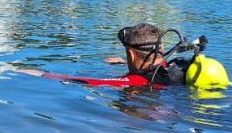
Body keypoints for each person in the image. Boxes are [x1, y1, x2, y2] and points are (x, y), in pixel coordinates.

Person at [27, 23, 190, 87]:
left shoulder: (134, 81)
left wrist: (37, 73)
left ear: (132, 55)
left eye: (127, 56)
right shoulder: (173, 66)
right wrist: (121, 61)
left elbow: (85, 81)